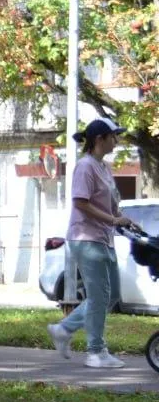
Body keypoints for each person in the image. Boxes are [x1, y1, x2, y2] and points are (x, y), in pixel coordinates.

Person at [47, 119, 135, 369]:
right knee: (99, 296)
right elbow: (81, 203)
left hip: (103, 238)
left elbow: (109, 201)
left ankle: (63, 330)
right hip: (86, 239)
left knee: (112, 295)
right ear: (100, 139)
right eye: (113, 137)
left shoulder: (103, 167)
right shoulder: (85, 167)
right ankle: (96, 352)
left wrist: (124, 220)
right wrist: (113, 219)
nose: (116, 141)